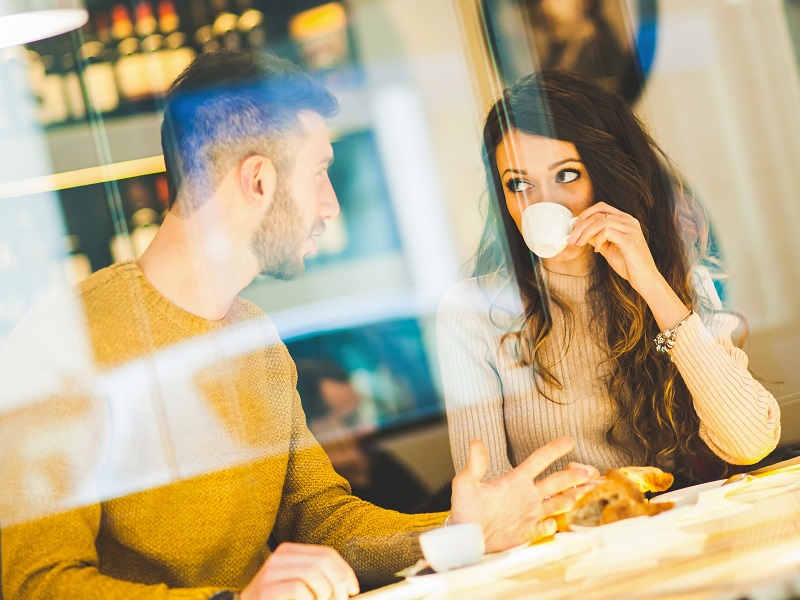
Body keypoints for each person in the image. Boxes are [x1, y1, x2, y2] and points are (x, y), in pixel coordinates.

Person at [0, 52, 594, 600]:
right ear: (258, 180)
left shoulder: (252, 335)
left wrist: (459, 531)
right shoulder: (62, 346)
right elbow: (34, 582)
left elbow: (321, 517)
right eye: (319, 172)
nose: (331, 204)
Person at [437, 69, 781, 487]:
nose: (543, 204)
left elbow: (749, 443)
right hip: (565, 539)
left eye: (566, 175)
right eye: (519, 184)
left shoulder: (673, 278)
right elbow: (486, 492)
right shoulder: (472, 312)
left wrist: (653, 285)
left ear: (604, 175)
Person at [295, 359, 429, 513]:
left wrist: (361, 477)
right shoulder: (304, 493)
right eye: (351, 419)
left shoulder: (371, 456)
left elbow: (427, 511)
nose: (368, 428)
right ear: (314, 430)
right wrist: (357, 481)